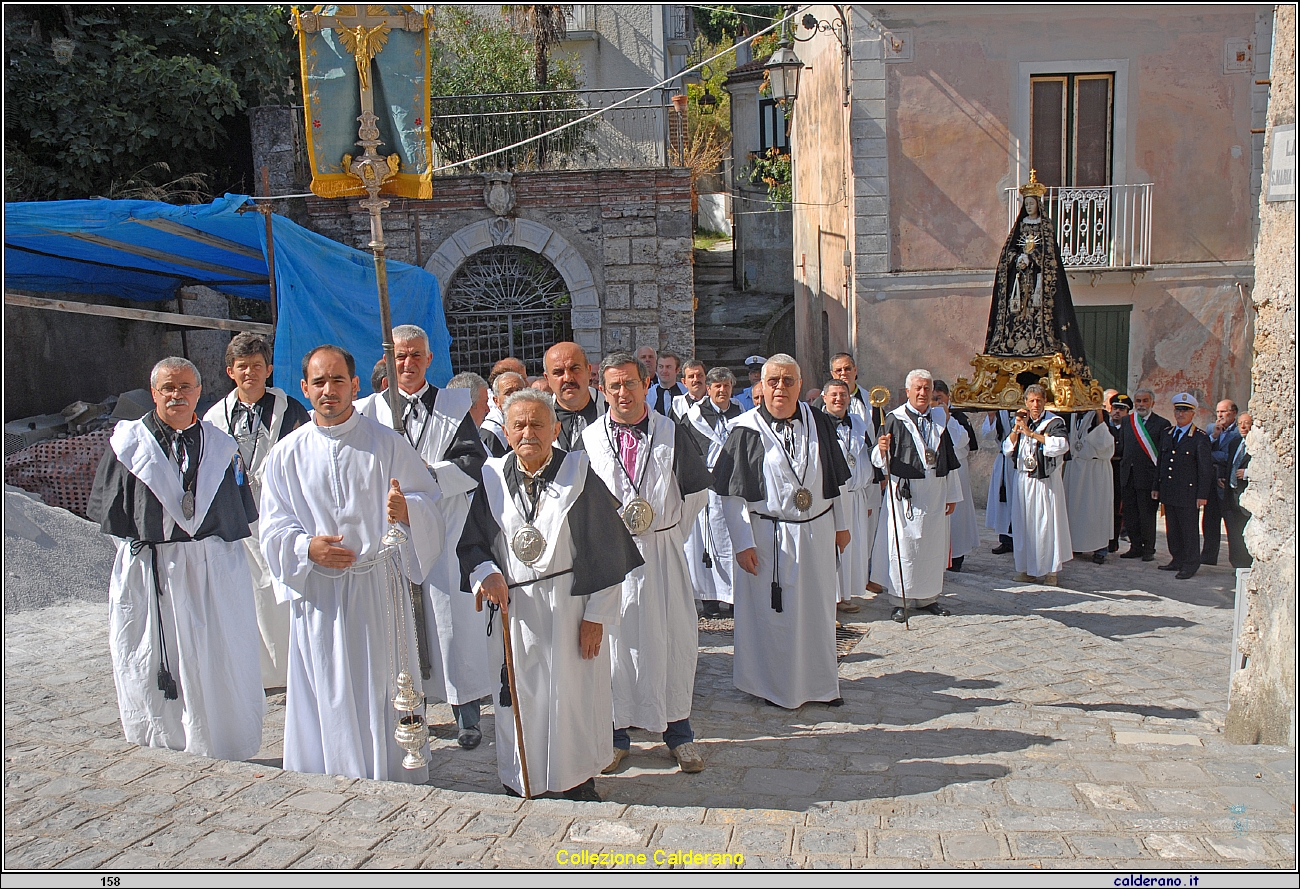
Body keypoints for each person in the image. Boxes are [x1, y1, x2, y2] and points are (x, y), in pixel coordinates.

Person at [260, 345, 445, 781]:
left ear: (355, 384)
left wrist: (407, 510)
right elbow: (271, 527)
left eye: (338, 380)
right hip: (320, 592)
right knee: (329, 684)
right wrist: (307, 548)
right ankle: (330, 766)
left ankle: (388, 769)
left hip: (377, 588)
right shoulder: (286, 454)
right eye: (319, 382)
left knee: (381, 681)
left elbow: (427, 500)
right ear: (304, 388)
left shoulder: (387, 444)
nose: (329, 390)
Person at [457, 387, 644, 801]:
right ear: (505, 431)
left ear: (555, 428)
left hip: (570, 606)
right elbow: (471, 545)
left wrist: (597, 616)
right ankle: (522, 778)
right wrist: (486, 573)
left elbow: (606, 550)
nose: (528, 433)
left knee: (573, 696)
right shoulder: (491, 480)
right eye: (519, 425)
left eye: (537, 424)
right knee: (519, 696)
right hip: (515, 608)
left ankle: (577, 779)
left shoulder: (578, 475)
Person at [89, 357, 264, 761]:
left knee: (217, 652)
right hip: (154, 571)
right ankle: (163, 737)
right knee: (154, 654)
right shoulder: (128, 446)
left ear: (200, 392)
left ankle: (222, 736)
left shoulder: (221, 446)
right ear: (154, 393)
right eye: (168, 387)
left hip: (211, 570)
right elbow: (115, 516)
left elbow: (238, 511)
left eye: (185, 387)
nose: (176, 395)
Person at [358, 326, 490, 749]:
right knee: (397, 627)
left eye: (416, 355)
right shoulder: (366, 412)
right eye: (399, 356)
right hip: (390, 536)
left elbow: (473, 463)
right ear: (387, 361)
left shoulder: (453, 407)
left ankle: (466, 715)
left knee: (452, 630)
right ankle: (407, 710)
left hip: (445, 533)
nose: (407, 364)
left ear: (429, 359)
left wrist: (427, 477)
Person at [583, 352, 714, 774]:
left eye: (631, 384)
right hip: (610, 558)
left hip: (662, 554)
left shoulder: (672, 432)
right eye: (614, 386)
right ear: (602, 390)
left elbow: (696, 494)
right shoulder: (586, 440)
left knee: (674, 639)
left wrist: (667, 534)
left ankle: (679, 733)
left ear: (646, 385)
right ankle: (615, 736)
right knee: (617, 647)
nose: (624, 393)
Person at [712, 354, 852, 708]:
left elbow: (837, 479)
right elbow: (730, 495)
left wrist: (842, 526)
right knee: (773, 616)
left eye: (788, 381)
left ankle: (820, 684)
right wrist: (742, 543)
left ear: (800, 384)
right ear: (761, 385)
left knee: (819, 610)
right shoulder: (744, 430)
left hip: (817, 531)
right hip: (768, 538)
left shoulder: (819, 421)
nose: (780, 388)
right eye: (773, 381)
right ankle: (772, 686)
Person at [203, 333, 310, 688]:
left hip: (284, 514)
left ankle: (296, 666)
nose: (250, 373)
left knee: (285, 587)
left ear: (269, 369)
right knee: (248, 594)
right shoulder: (214, 417)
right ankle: (260, 671)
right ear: (230, 371)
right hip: (237, 519)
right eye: (242, 366)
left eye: (257, 366)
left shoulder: (290, 410)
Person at [871, 369, 963, 620]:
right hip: (906, 493)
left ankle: (929, 597)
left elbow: (948, 459)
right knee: (905, 547)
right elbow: (879, 460)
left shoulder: (939, 419)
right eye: (918, 388)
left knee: (932, 546)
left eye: (926, 388)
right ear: (908, 391)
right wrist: (881, 449)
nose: (923, 393)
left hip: (934, 491)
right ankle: (901, 598)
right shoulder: (894, 418)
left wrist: (952, 494)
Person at [984, 171, 1089, 373]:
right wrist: (1018, 259)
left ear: (1038, 204)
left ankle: (1042, 342)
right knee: (1018, 310)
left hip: (1038, 281)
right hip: (1020, 277)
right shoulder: (1020, 227)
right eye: (1027, 203)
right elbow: (1009, 252)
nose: (1029, 206)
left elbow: (1050, 255)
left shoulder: (1045, 227)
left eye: (1032, 203)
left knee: (1037, 311)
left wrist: (1033, 258)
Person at [681, 367, 743, 616]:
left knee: (731, 538)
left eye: (726, 385)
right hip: (704, 487)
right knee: (702, 542)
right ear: (708, 389)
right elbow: (685, 451)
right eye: (717, 386)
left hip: (732, 486)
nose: (722, 390)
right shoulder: (693, 417)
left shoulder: (740, 413)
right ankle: (707, 599)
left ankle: (733, 596)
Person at [1004, 384, 1071, 585]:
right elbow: (1007, 449)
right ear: (1025, 402)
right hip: (1023, 479)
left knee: (1046, 525)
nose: (1035, 404)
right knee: (1024, 524)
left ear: (1045, 402)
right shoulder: (1021, 422)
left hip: (1044, 481)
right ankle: (1025, 568)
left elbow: (1061, 445)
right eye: (1031, 401)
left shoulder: (1054, 422)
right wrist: (1018, 428)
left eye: (1039, 400)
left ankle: (1050, 571)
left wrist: (1032, 434)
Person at [821, 379, 877, 614]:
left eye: (843, 395)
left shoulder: (858, 422)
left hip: (856, 494)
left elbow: (867, 456)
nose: (838, 399)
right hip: (831, 494)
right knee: (829, 547)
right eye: (833, 394)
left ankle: (844, 595)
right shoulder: (817, 423)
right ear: (824, 397)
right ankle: (828, 601)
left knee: (852, 549)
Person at [1154, 392, 1213, 580]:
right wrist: (1157, 486)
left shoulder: (1199, 437)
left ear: (1193, 414)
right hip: (1170, 490)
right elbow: (1161, 462)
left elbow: (1205, 469)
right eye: (1178, 410)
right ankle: (1177, 559)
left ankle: (1190, 563)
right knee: (1173, 529)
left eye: (1185, 411)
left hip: (1188, 491)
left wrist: (1202, 494)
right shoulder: (1167, 433)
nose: (1181, 414)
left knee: (1189, 530)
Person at [931, 381, 978, 573]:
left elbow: (962, 442)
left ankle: (957, 555)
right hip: (936, 471)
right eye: (932, 399)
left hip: (956, 471)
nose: (935, 402)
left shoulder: (958, 417)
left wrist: (948, 419)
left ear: (947, 397)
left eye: (938, 398)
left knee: (957, 515)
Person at [1119, 388, 1171, 561]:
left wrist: (1158, 482)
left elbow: (1162, 454)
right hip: (1129, 475)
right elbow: (1123, 447)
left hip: (1148, 477)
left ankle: (1148, 549)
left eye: (1145, 401)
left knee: (1146, 515)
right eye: (1138, 401)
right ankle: (1135, 546)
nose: (1141, 404)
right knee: (1130, 514)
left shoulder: (1162, 424)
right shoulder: (1127, 421)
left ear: (1152, 403)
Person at [1064, 404, 1116, 565]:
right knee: (1074, 508)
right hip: (1075, 466)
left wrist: (1099, 414)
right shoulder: (1072, 412)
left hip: (1095, 469)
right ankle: (1075, 543)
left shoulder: (1101, 415)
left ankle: (1100, 548)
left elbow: (1106, 442)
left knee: (1096, 509)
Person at [545, 342, 606, 451]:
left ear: (588, 371)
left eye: (575, 369)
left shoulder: (610, 408)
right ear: (547, 378)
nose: (568, 378)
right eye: (558, 372)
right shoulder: (540, 416)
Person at [1202, 399, 1240, 566]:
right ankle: (1209, 556)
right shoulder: (1211, 429)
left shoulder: (1239, 431)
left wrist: (1213, 455)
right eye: (1218, 412)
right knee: (1209, 520)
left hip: (1225, 481)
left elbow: (1230, 457)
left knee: (1231, 523)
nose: (1220, 415)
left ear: (1233, 413)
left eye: (1224, 412)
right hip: (1210, 480)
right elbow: (1202, 451)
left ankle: (1236, 560)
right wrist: (1214, 437)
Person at [981, 408, 1018, 555]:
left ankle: (1020, 538)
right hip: (1004, 461)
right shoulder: (1001, 410)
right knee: (1003, 502)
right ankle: (1005, 539)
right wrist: (991, 416)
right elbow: (988, 434)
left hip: (1019, 461)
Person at [1223, 412, 1254, 568]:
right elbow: (1230, 463)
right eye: (1240, 423)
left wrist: (1248, 473)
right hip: (1231, 496)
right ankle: (1236, 565)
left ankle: (1246, 566)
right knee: (1233, 535)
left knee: (1245, 535)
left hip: (1246, 498)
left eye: (1247, 423)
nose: (1243, 426)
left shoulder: (1257, 446)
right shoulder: (1235, 442)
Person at [811, 353, 874, 425]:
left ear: (855, 370)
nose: (843, 373)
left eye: (847, 369)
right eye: (839, 370)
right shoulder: (820, 403)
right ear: (832, 374)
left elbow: (878, 430)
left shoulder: (870, 400)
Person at [1107, 394, 1132, 552]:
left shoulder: (1130, 430)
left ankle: (1112, 542)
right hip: (1104, 470)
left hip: (1120, 473)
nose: (1117, 412)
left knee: (1116, 510)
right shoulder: (1104, 427)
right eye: (1115, 408)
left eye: (1122, 409)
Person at [482, 371, 526, 458]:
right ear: (496, 400)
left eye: (519, 390)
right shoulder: (491, 432)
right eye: (508, 392)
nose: (515, 396)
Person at [646, 351, 685, 417]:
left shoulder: (685, 392)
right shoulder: (649, 395)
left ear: (677, 370)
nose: (664, 371)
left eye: (668, 367)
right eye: (661, 367)